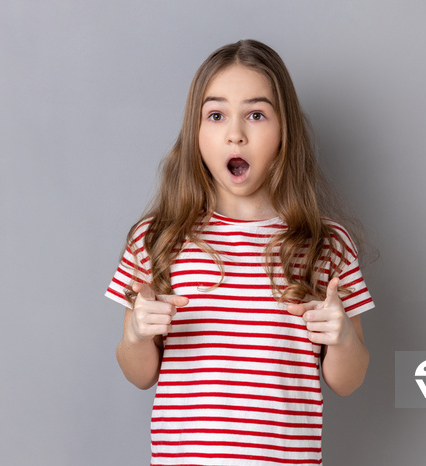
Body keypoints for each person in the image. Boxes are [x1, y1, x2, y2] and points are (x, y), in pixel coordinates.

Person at [105, 39, 375, 465]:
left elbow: (348, 380)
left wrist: (341, 339)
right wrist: (136, 335)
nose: (236, 133)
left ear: (284, 129)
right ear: (196, 133)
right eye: (216, 115)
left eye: (256, 114)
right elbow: (140, 374)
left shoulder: (326, 244)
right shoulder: (156, 238)